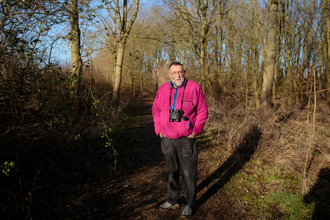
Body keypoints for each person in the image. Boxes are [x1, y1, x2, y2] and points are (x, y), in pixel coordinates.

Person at [152, 62, 208, 218]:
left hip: (186, 139)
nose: (178, 75)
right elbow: (155, 110)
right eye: (174, 72)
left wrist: (195, 131)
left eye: (180, 72)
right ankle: (172, 199)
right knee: (173, 171)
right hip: (167, 139)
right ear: (169, 74)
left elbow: (203, 111)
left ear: (185, 72)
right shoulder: (163, 89)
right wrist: (159, 130)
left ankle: (189, 203)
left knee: (189, 173)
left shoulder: (194, 87)